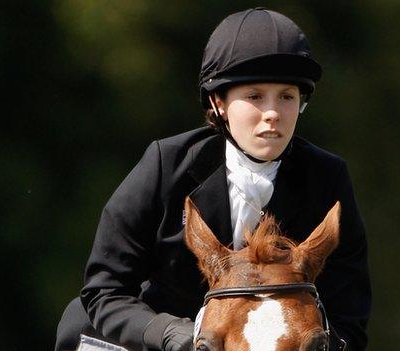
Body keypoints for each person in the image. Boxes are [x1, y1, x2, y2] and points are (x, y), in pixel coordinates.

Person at [55, 7, 371, 351]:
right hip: (162, 338)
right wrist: (167, 332)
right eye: (254, 96)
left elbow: (349, 317)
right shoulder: (165, 164)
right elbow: (105, 288)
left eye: (287, 97)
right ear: (219, 103)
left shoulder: (327, 178)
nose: (273, 114)